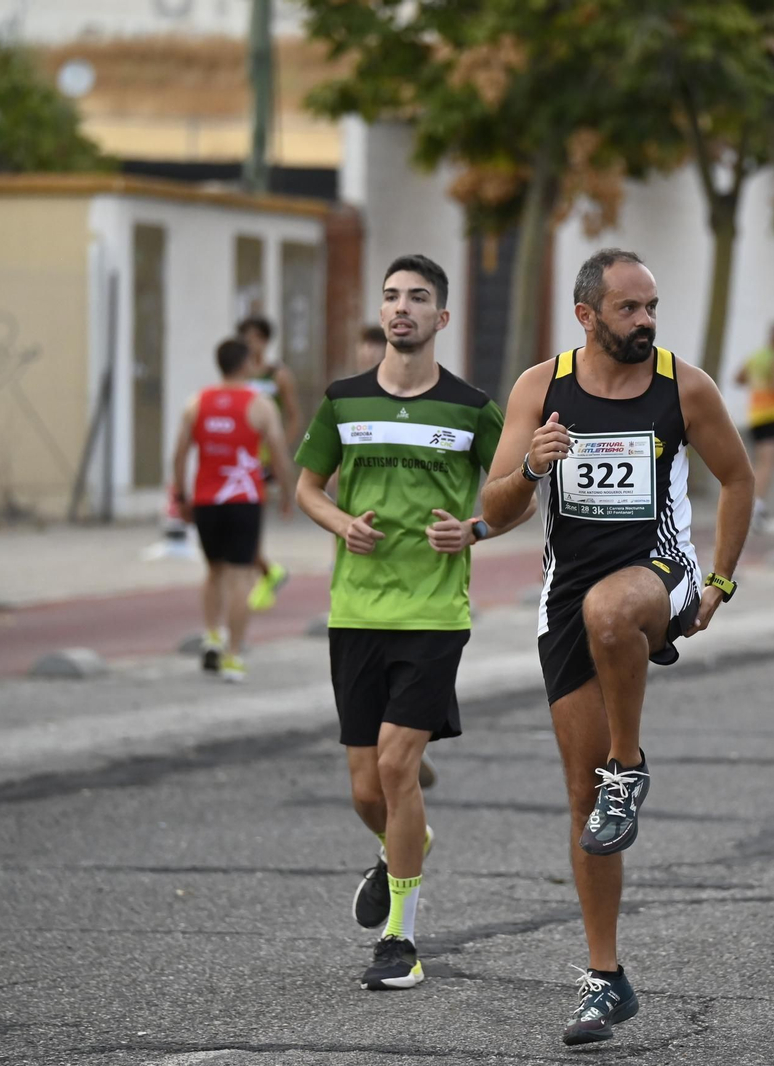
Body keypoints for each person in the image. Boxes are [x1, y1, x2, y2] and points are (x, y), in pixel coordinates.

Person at [479, 248, 755, 1045]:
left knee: (612, 614)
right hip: (564, 596)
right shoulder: (541, 387)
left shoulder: (682, 385)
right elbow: (496, 510)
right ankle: (606, 978)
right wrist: (530, 469)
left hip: (660, 571)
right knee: (581, 800)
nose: (647, 322)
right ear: (587, 316)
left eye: (652, 306)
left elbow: (737, 480)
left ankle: (629, 767)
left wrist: (721, 583)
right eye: (630, 309)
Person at [293, 255, 533, 992]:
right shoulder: (342, 400)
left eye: (418, 298)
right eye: (393, 297)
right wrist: (340, 524)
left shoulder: (471, 408)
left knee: (397, 768)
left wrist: (476, 532)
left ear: (442, 318)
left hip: (433, 613)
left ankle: (401, 940)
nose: (402, 308)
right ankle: (406, 841)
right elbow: (306, 487)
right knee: (368, 789)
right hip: (356, 610)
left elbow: (513, 492)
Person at [170, 337, 294, 682]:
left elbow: (179, 455)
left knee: (213, 572)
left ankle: (212, 636)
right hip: (243, 501)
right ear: (245, 364)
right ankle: (233, 656)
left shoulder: (196, 403)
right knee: (240, 578)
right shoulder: (260, 404)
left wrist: (180, 497)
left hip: (206, 501)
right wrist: (286, 494)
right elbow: (280, 454)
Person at [240, 315, 301, 612]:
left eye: (255, 337)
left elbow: (294, 415)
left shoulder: (278, 375)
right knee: (240, 522)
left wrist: (279, 447)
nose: (250, 343)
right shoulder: (237, 373)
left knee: (246, 520)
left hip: (263, 458)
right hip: (239, 456)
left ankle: (263, 573)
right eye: (245, 338)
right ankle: (264, 573)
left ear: (265, 340)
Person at [734, 321, 774, 532]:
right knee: (766, 465)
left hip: (755, 415)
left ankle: (751, 506)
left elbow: (738, 378)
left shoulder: (756, 356)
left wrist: (756, 384)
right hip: (771, 415)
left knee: (757, 463)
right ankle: (757, 508)